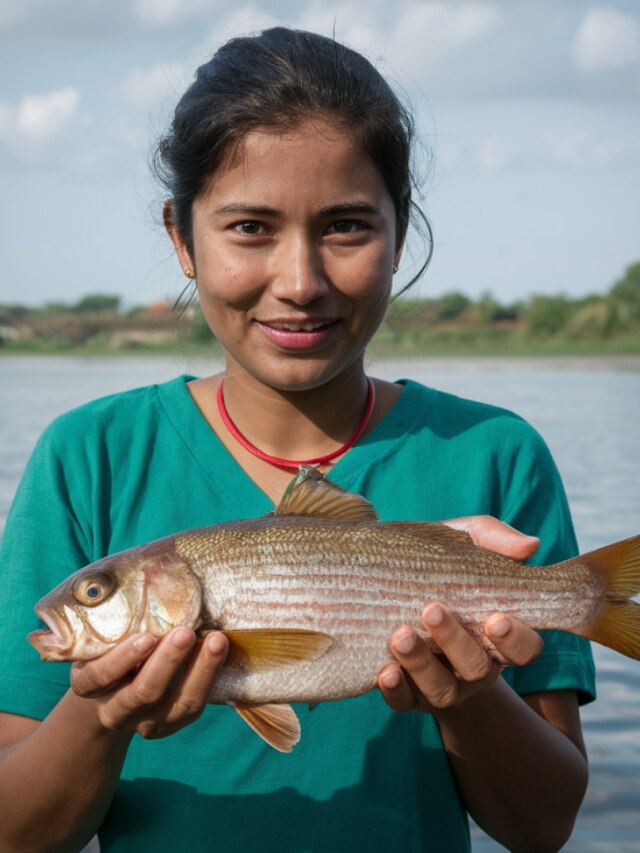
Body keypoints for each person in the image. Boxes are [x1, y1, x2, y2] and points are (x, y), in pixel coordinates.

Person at [0, 27, 593, 853]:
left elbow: (543, 825)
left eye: (347, 226)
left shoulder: (496, 451)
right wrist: (103, 714)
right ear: (181, 236)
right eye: (249, 226)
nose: (301, 280)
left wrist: (466, 692)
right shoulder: (86, 458)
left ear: (400, 231)